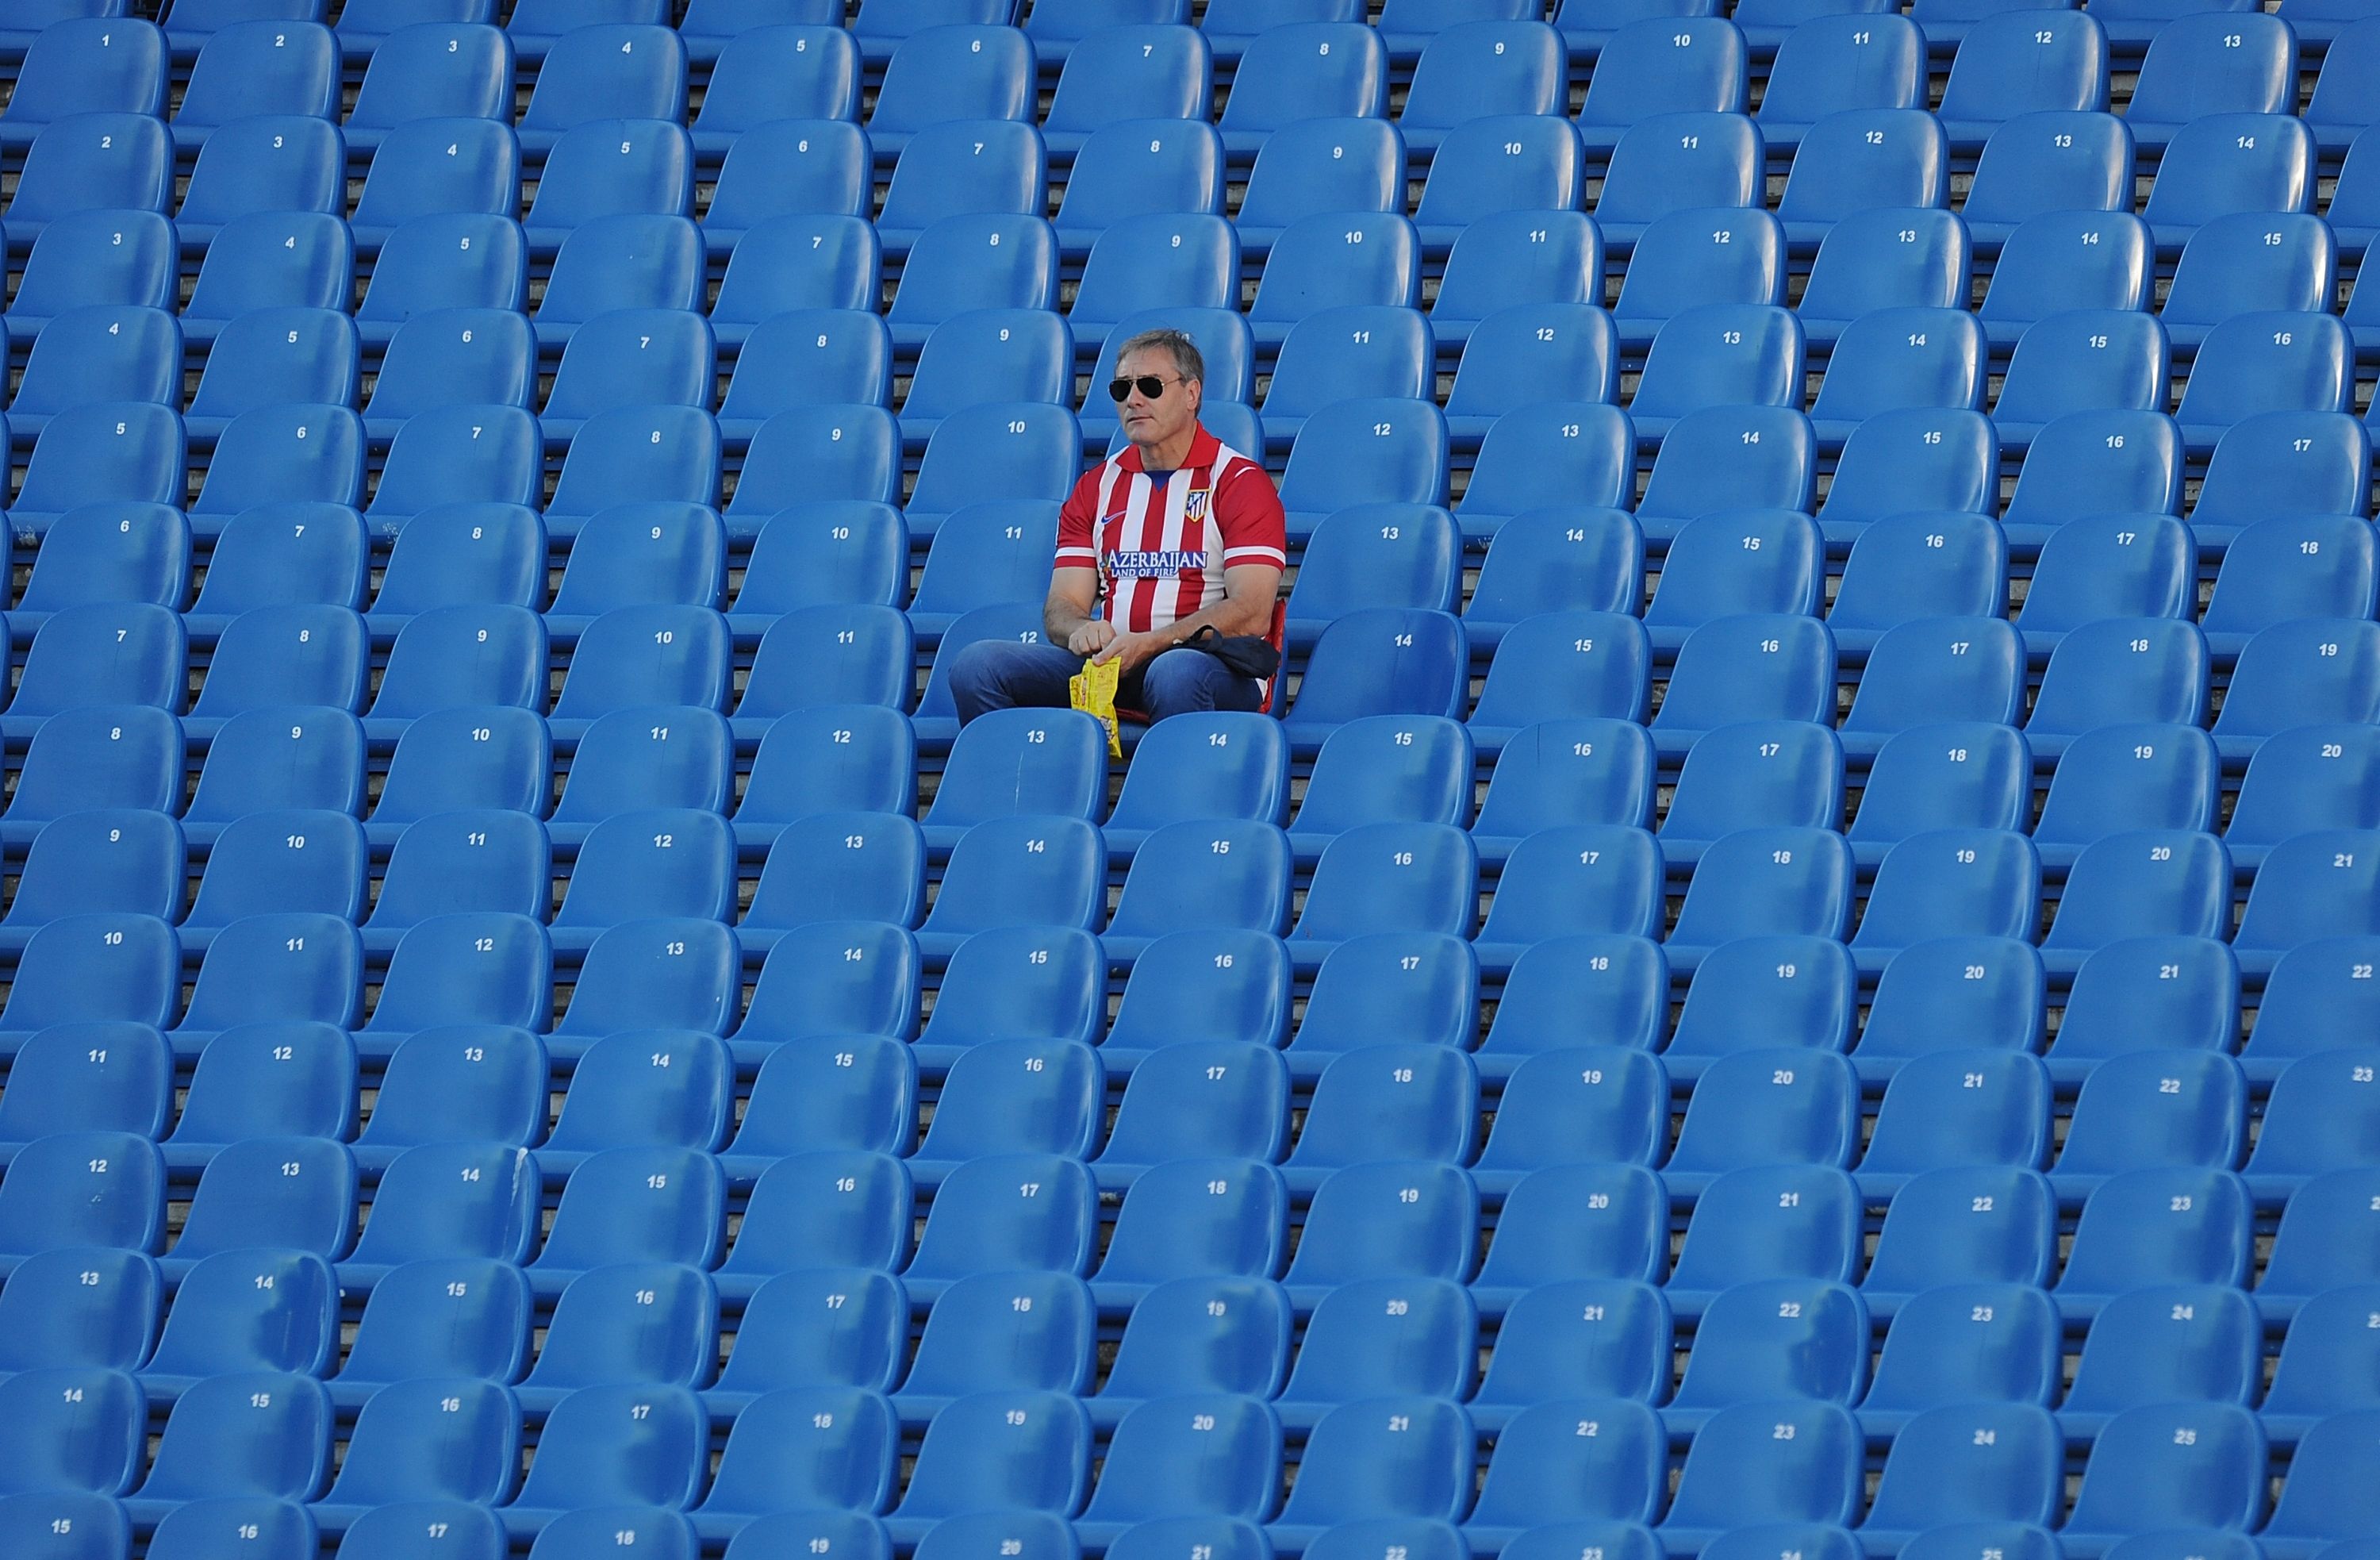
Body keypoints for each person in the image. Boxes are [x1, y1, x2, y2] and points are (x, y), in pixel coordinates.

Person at [946, 328, 1287, 725]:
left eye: (1150, 386)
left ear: (1192, 394)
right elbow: (1063, 604)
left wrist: (1152, 643)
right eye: (1122, 389)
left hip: (1207, 668)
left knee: (1173, 671)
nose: (1134, 400)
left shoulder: (1239, 482)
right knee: (978, 666)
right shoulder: (1096, 486)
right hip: (1114, 665)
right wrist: (1079, 628)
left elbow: (1253, 612)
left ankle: (1176, 788)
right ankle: (1014, 783)